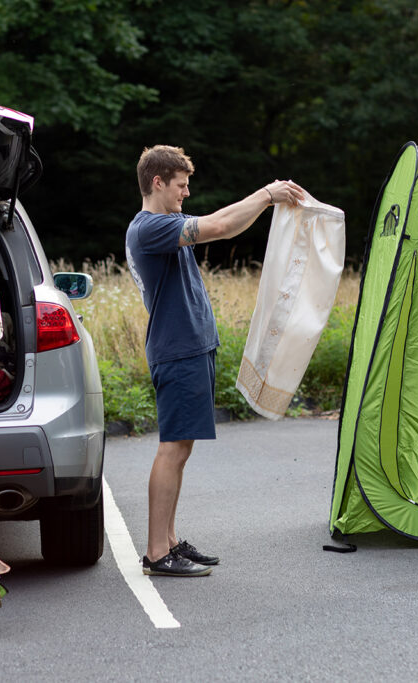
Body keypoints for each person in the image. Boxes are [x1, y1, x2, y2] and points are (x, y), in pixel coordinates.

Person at [125, 145, 306, 577]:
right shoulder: (150, 227)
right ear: (157, 182)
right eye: (181, 186)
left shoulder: (164, 224)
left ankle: (169, 541)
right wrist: (267, 194)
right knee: (172, 448)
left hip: (190, 347)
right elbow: (223, 226)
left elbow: (223, 225)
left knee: (181, 447)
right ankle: (155, 553)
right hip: (178, 349)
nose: (186, 194)